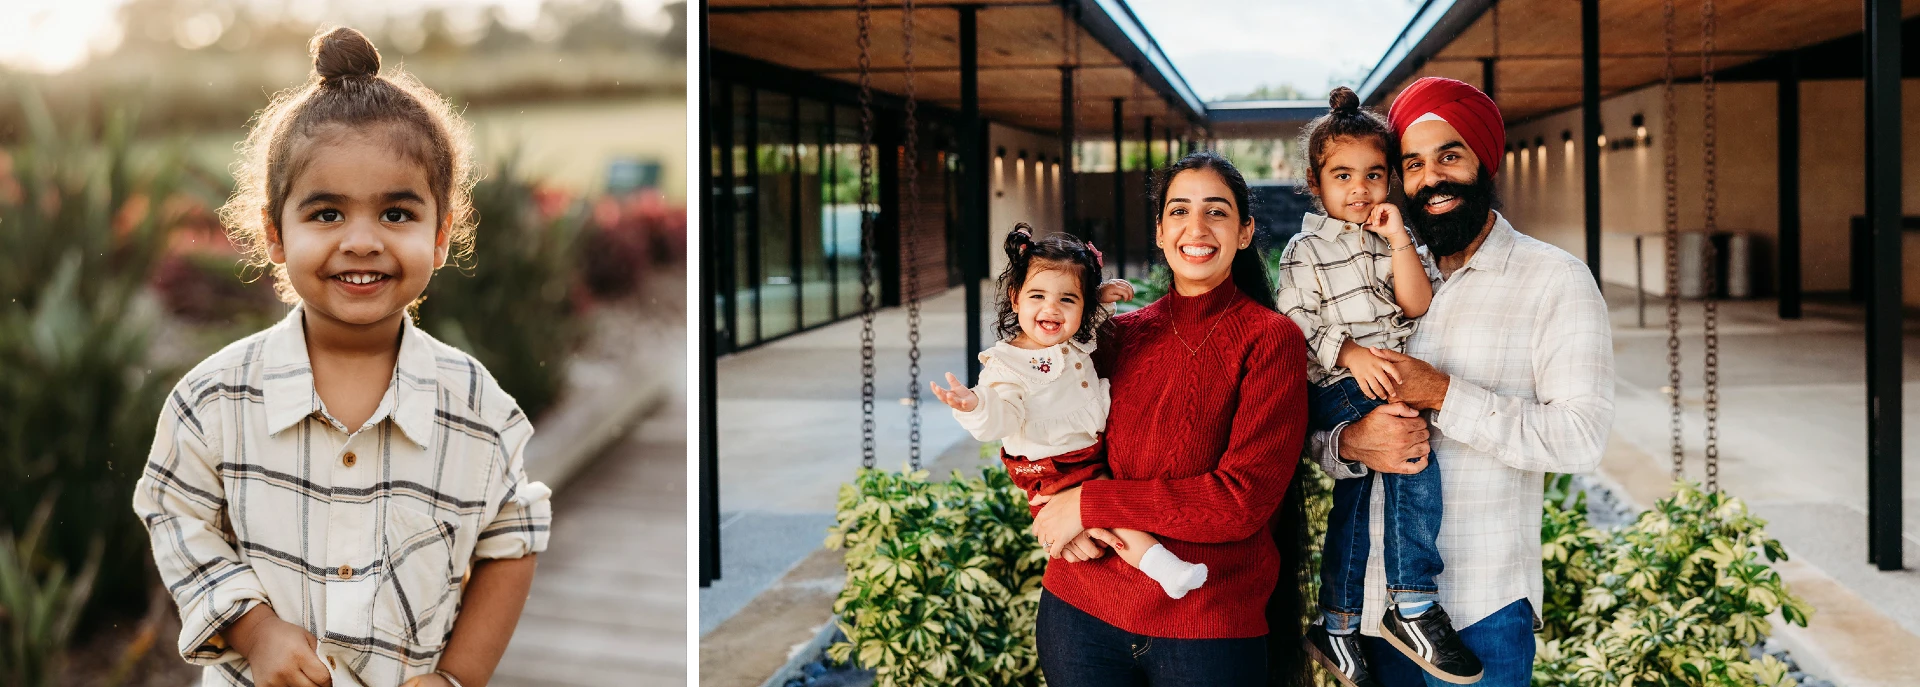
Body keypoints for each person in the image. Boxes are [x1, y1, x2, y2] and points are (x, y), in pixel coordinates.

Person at [132, 27, 550, 687]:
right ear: (275, 233)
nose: (361, 241)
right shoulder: (212, 400)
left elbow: (512, 541)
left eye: (395, 213)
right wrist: (252, 625)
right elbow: (173, 513)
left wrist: (457, 677)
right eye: (326, 214)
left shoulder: (476, 406)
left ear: (441, 236)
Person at [1309, 76, 1615, 687]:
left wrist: (1445, 394)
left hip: (1484, 605)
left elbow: (1582, 437)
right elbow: (1313, 408)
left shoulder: (1552, 279)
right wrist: (1345, 444)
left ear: (1484, 161)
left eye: (1449, 155)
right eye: (1413, 164)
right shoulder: (1368, 264)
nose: (1430, 179)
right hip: (1372, 613)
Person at [1024, 152, 1310, 686]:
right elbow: (1038, 424)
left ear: (1245, 232)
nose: (1196, 228)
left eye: (1217, 212)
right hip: (1080, 612)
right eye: (1179, 211)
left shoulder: (1271, 340)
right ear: (1159, 232)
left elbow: (1240, 500)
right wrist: (1051, 507)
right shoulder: (1117, 335)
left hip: (1209, 630)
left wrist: (1087, 504)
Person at [1277, 86, 1481, 687]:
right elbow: (1292, 322)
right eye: (1343, 176)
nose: (1360, 189)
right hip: (1339, 380)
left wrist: (1396, 241)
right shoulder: (1305, 248)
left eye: (1374, 174)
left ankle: (1336, 622)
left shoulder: (1396, 236)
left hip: (1381, 377)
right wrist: (1350, 351)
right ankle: (1411, 602)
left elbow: (1419, 304)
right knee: (1413, 454)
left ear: (1390, 178)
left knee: (1359, 500)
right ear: (1316, 184)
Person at [932, 224, 1209, 600]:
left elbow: (1084, 322)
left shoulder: (1069, 337)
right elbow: (1002, 418)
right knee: (1106, 504)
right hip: (1052, 463)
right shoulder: (1007, 364)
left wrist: (1101, 299)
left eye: (1067, 299)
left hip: (1080, 451)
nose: (1051, 308)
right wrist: (975, 406)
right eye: (1037, 296)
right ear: (1015, 299)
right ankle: (1167, 570)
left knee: (1100, 517)